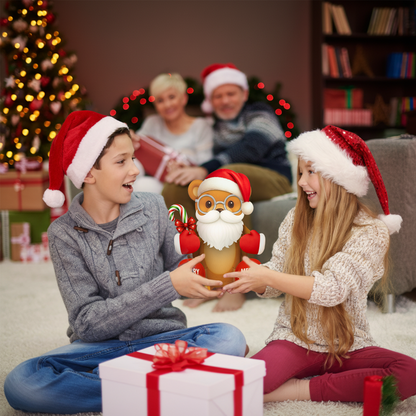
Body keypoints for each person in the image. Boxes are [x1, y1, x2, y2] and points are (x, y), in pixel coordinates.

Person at [3, 111, 247, 414]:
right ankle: (161, 387)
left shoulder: (154, 206)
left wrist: (214, 273)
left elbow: (180, 271)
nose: (135, 169)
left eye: (133, 158)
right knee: (22, 383)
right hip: (99, 348)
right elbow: (87, 324)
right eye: (122, 161)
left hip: (163, 339)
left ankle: (124, 389)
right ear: (88, 174)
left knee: (229, 339)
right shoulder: (64, 234)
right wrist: (168, 286)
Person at [220, 125, 416, 404]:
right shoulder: (295, 218)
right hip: (295, 339)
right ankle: (322, 384)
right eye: (300, 172)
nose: (301, 182)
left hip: (349, 345)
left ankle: (303, 389)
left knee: (410, 372)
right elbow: (275, 278)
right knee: (242, 385)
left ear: (339, 178)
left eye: (311, 172)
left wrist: (269, 276)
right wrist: (253, 277)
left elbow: (332, 289)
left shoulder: (371, 231)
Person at [163, 63, 293, 312]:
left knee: (229, 178)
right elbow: (203, 158)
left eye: (230, 94)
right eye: (218, 96)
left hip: (273, 178)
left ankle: (239, 283)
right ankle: (202, 278)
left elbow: (252, 147)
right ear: (210, 101)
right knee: (177, 188)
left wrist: (206, 168)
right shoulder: (212, 127)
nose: (225, 100)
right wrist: (184, 168)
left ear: (243, 94)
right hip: (229, 178)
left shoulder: (259, 113)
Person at [132, 73, 213, 194]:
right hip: (153, 179)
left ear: (183, 98)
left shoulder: (201, 126)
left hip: (185, 184)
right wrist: (129, 140)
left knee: (145, 188)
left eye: (171, 97)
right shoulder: (152, 122)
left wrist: (185, 166)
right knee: (140, 181)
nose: (167, 105)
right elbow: (136, 151)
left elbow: (205, 164)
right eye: (160, 100)